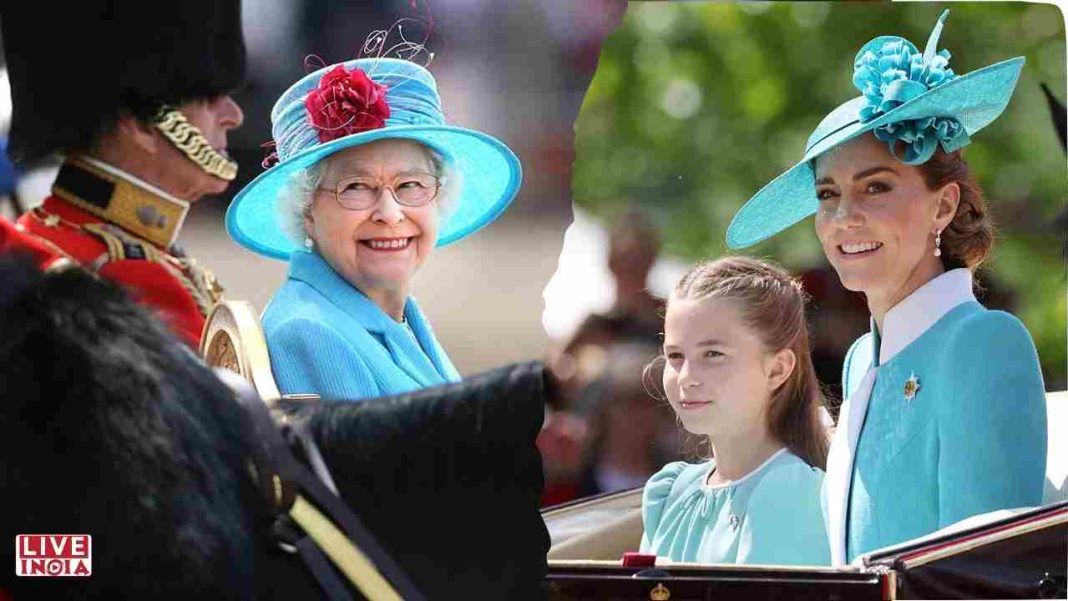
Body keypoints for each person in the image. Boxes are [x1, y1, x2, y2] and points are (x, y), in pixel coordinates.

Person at [726, 11, 1047, 565]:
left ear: (942, 205)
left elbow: (984, 577)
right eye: (828, 195)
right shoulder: (858, 360)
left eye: (875, 187)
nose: (844, 217)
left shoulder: (985, 343)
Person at [226, 56, 522, 400]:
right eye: (356, 187)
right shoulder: (309, 332)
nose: (390, 213)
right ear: (306, 209)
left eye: (411, 185)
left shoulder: (399, 317)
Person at [0, 1, 245, 347]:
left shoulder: (145, 253)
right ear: (142, 123)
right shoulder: (118, 277)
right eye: (209, 98)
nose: (234, 115)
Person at [640, 256, 830, 566]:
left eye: (713, 354)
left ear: (777, 369)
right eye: (675, 355)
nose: (686, 376)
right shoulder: (671, 492)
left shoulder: (788, 493)